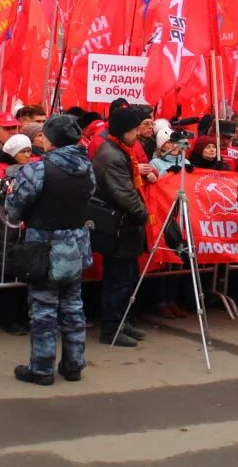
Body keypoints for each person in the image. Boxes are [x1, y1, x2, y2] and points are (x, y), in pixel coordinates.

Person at [4, 115, 95, 384]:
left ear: (53, 139)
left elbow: (14, 208)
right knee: (73, 306)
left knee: (43, 308)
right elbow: (88, 196)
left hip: (44, 245)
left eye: (44, 135)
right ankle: (73, 364)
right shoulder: (86, 166)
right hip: (76, 243)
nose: (40, 140)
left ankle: (42, 368)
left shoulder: (38, 169)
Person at [91, 107, 151, 346]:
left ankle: (122, 321)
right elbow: (124, 194)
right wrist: (145, 215)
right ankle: (111, 329)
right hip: (118, 226)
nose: (138, 133)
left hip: (126, 227)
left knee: (127, 277)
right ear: (123, 131)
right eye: (134, 129)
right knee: (117, 280)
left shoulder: (122, 149)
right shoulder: (111, 155)